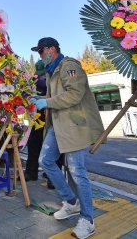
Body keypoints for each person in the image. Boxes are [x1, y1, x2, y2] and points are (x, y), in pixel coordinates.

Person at [30, 37, 105, 239]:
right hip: (58, 125)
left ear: (52, 49)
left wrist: (46, 103)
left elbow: (75, 94)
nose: (40, 56)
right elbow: (56, 97)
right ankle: (71, 202)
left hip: (74, 126)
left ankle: (87, 220)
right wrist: (40, 100)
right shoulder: (51, 70)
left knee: (77, 172)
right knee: (45, 161)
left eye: (41, 51)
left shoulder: (69, 66)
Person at [24, 60, 47, 181]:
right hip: (45, 118)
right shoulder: (49, 82)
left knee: (33, 146)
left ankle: (31, 173)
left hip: (33, 117)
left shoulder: (31, 81)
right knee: (49, 148)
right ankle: (50, 176)